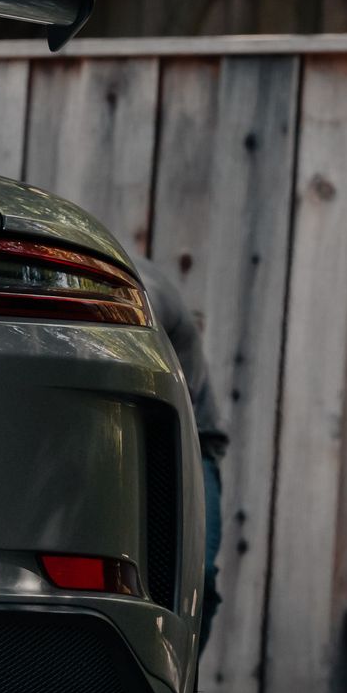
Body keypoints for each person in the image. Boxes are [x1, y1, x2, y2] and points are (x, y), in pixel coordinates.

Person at [142, 270, 229, 649]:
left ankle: (180, 686)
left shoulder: (148, 289)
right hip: (123, 429)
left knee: (197, 579)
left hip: (192, 443)